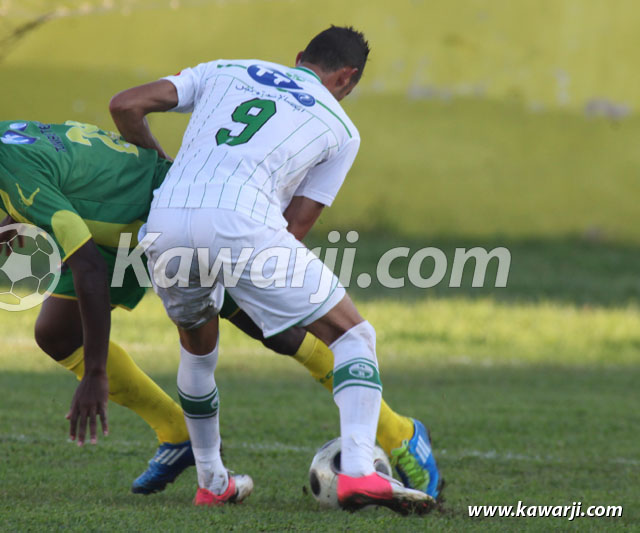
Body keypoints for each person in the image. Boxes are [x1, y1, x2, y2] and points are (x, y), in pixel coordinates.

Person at [0, 87, 440, 501]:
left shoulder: (4, 165)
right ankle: (176, 431)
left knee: (271, 330)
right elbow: (60, 168)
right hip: (113, 225)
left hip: (162, 217)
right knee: (56, 332)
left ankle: (397, 432)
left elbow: (85, 265)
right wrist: (16, 216)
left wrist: (95, 375)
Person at [109, 26, 437, 512]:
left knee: (197, 348)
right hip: (243, 225)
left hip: (166, 223)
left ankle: (211, 482)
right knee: (353, 337)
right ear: (347, 78)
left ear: (300, 56)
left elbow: (124, 105)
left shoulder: (224, 69)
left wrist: (165, 164)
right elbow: (295, 225)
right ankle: (360, 474)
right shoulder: (342, 127)